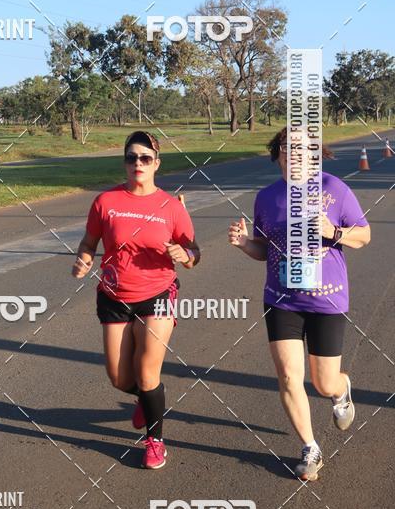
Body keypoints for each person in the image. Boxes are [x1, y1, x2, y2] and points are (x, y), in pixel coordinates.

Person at [228, 127, 371, 481]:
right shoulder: (267, 198)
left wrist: (333, 232)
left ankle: (341, 390)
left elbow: (364, 235)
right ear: (276, 153)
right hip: (281, 300)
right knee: (290, 376)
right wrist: (246, 245)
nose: (295, 153)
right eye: (287, 147)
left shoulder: (334, 189)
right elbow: (265, 249)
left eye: (305, 148)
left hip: (327, 300)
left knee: (324, 383)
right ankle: (310, 448)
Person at [72, 131, 200, 469]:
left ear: (157, 164)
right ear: (125, 163)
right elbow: (89, 243)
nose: (137, 164)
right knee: (119, 378)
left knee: (146, 372)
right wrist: (84, 260)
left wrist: (183, 253)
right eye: (131, 158)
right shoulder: (105, 202)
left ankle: (155, 440)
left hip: (158, 292)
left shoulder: (171, 207)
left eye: (145, 158)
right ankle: (149, 397)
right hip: (114, 295)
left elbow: (194, 254)